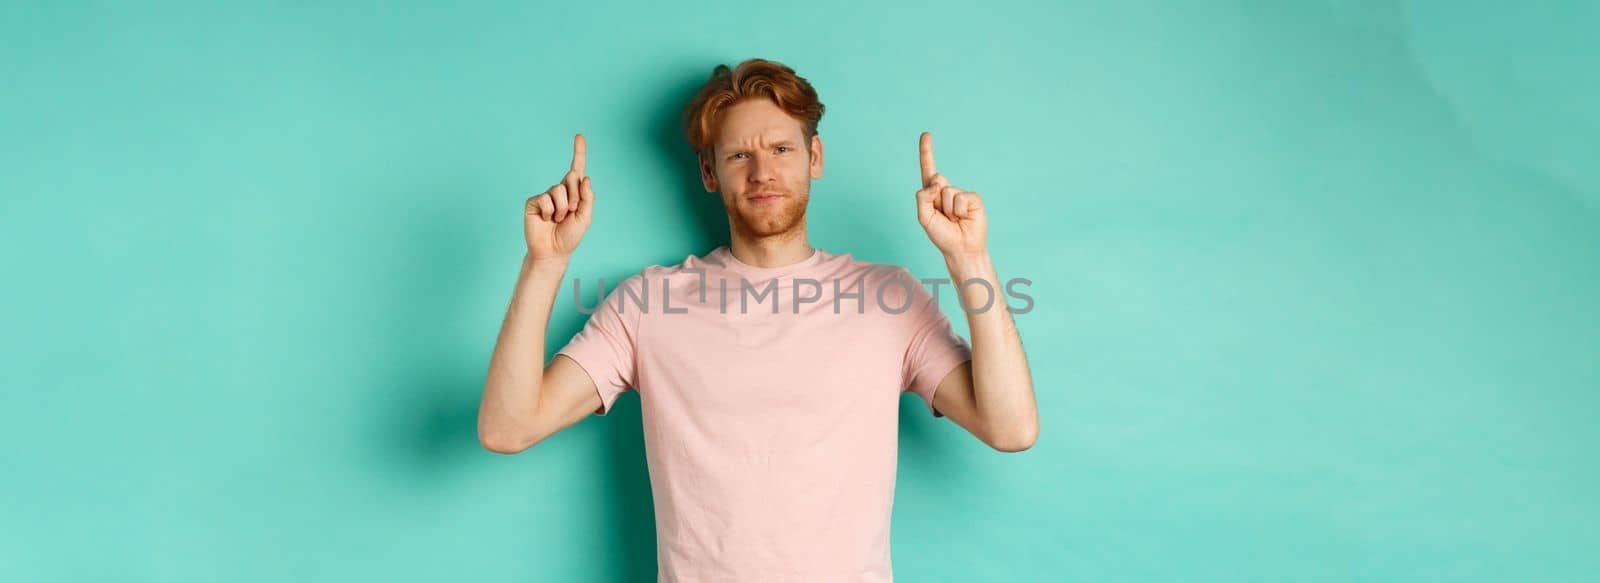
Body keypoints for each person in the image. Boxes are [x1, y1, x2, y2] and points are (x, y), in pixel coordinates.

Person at [478, 58, 1038, 582]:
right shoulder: (646, 304)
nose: (763, 172)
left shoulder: (889, 298)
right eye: (739, 155)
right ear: (709, 171)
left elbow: (1010, 427)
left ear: (814, 158)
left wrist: (969, 259)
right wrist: (545, 263)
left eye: (781, 149)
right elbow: (508, 427)